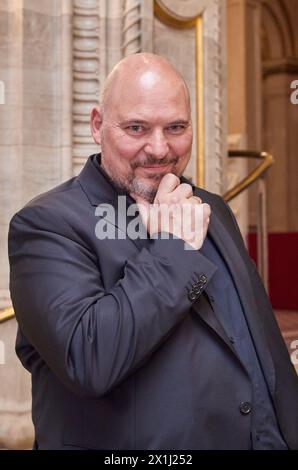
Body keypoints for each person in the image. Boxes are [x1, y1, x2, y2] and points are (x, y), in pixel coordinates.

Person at [8, 53, 298, 450]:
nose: (159, 148)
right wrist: (174, 249)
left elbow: (259, 344)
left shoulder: (209, 206)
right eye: (136, 127)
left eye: (176, 127)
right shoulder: (47, 223)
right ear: (98, 125)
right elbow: (89, 359)